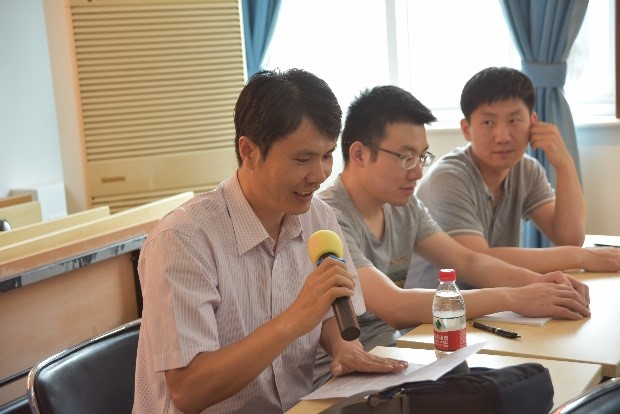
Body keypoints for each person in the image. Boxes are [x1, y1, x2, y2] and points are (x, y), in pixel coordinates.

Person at [133, 69, 408, 414]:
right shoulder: (183, 239)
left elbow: (329, 316)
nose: (319, 175)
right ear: (249, 151)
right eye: (302, 159)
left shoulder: (319, 218)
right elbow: (188, 390)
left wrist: (343, 348)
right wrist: (293, 320)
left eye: (326, 156)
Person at [313, 84, 590, 387]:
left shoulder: (404, 206)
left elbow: (468, 261)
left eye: (422, 157)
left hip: (395, 358)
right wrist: (514, 297)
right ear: (359, 154)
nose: (418, 172)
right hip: (340, 379)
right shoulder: (327, 217)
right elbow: (395, 306)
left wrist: (539, 283)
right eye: (406, 157)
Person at [409, 66, 620, 289]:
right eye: (488, 122)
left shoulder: (526, 169)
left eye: (514, 120)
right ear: (466, 129)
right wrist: (580, 257)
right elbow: (479, 260)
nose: (502, 137)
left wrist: (564, 164)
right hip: (438, 306)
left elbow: (569, 239)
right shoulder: (448, 178)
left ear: (533, 122)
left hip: (492, 301)